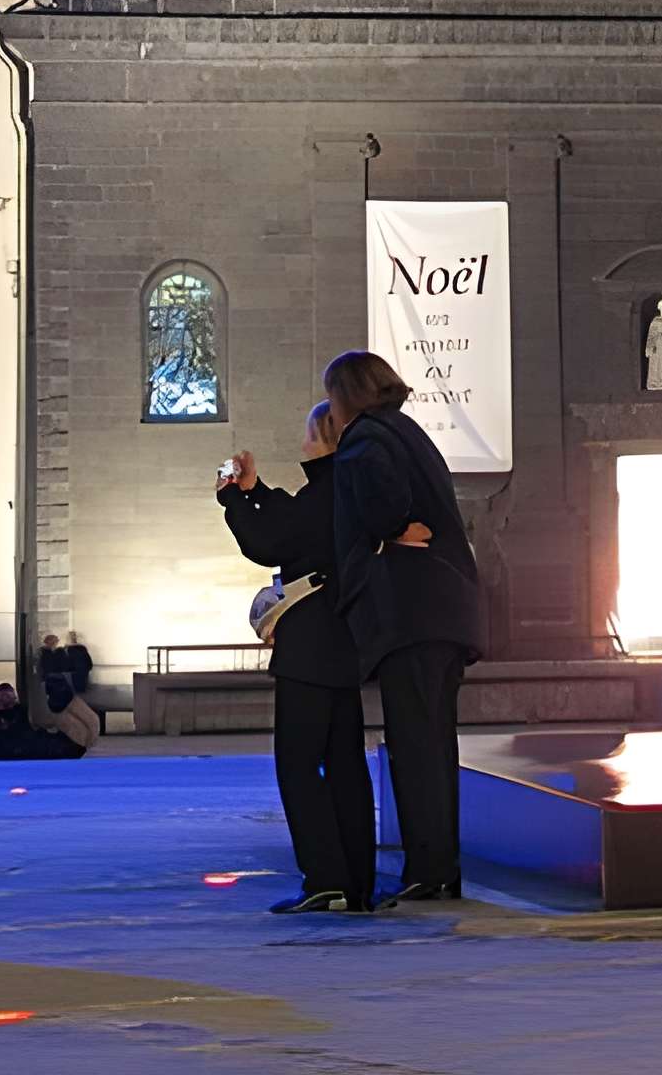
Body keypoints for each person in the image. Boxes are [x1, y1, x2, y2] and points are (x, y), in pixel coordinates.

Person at [326, 349, 483, 903]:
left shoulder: (367, 439)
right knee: (435, 745)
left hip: (409, 614)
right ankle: (439, 868)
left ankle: (427, 872)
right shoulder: (409, 431)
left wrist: (385, 531)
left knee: (414, 746)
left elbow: (381, 506)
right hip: (444, 611)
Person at [221, 403, 376, 913]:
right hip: (344, 641)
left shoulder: (325, 493)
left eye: (309, 433)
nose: (302, 441)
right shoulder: (347, 491)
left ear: (327, 440)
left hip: (310, 643)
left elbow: (271, 542)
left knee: (299, 764)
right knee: (346, 765)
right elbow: (296, 520)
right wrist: (257, 492)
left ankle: (325, 879)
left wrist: (234, 502)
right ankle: (356, 882)